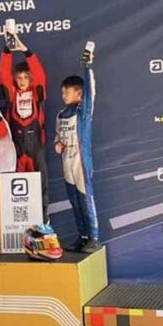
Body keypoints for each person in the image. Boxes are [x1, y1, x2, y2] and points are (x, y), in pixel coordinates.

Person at [55, 43, 100, 253]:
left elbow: (91, 92)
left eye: (67, 92)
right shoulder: (61, 114)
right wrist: (57, 143)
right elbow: (58, 136)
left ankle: (94, 237)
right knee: (74, 200)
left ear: (79, 94)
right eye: (63, 92)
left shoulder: (83, 112)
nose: (64, 95)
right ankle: (82, 236)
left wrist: (87, 66)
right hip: (67, 159)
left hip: (81, 160)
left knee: (85, 198)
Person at [0, 34, 49, 213]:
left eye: (26, 77)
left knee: (40, 185)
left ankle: (44, 219)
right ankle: (18, 219)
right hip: (17, 148)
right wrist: (7, 50)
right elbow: (3, 75)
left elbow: (40, 75)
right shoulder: (12, 95)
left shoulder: (37, 94)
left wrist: (26, 51)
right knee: (17, 188)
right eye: (19, 77)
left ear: (31, 79)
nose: (22, 80)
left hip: (36, 147)